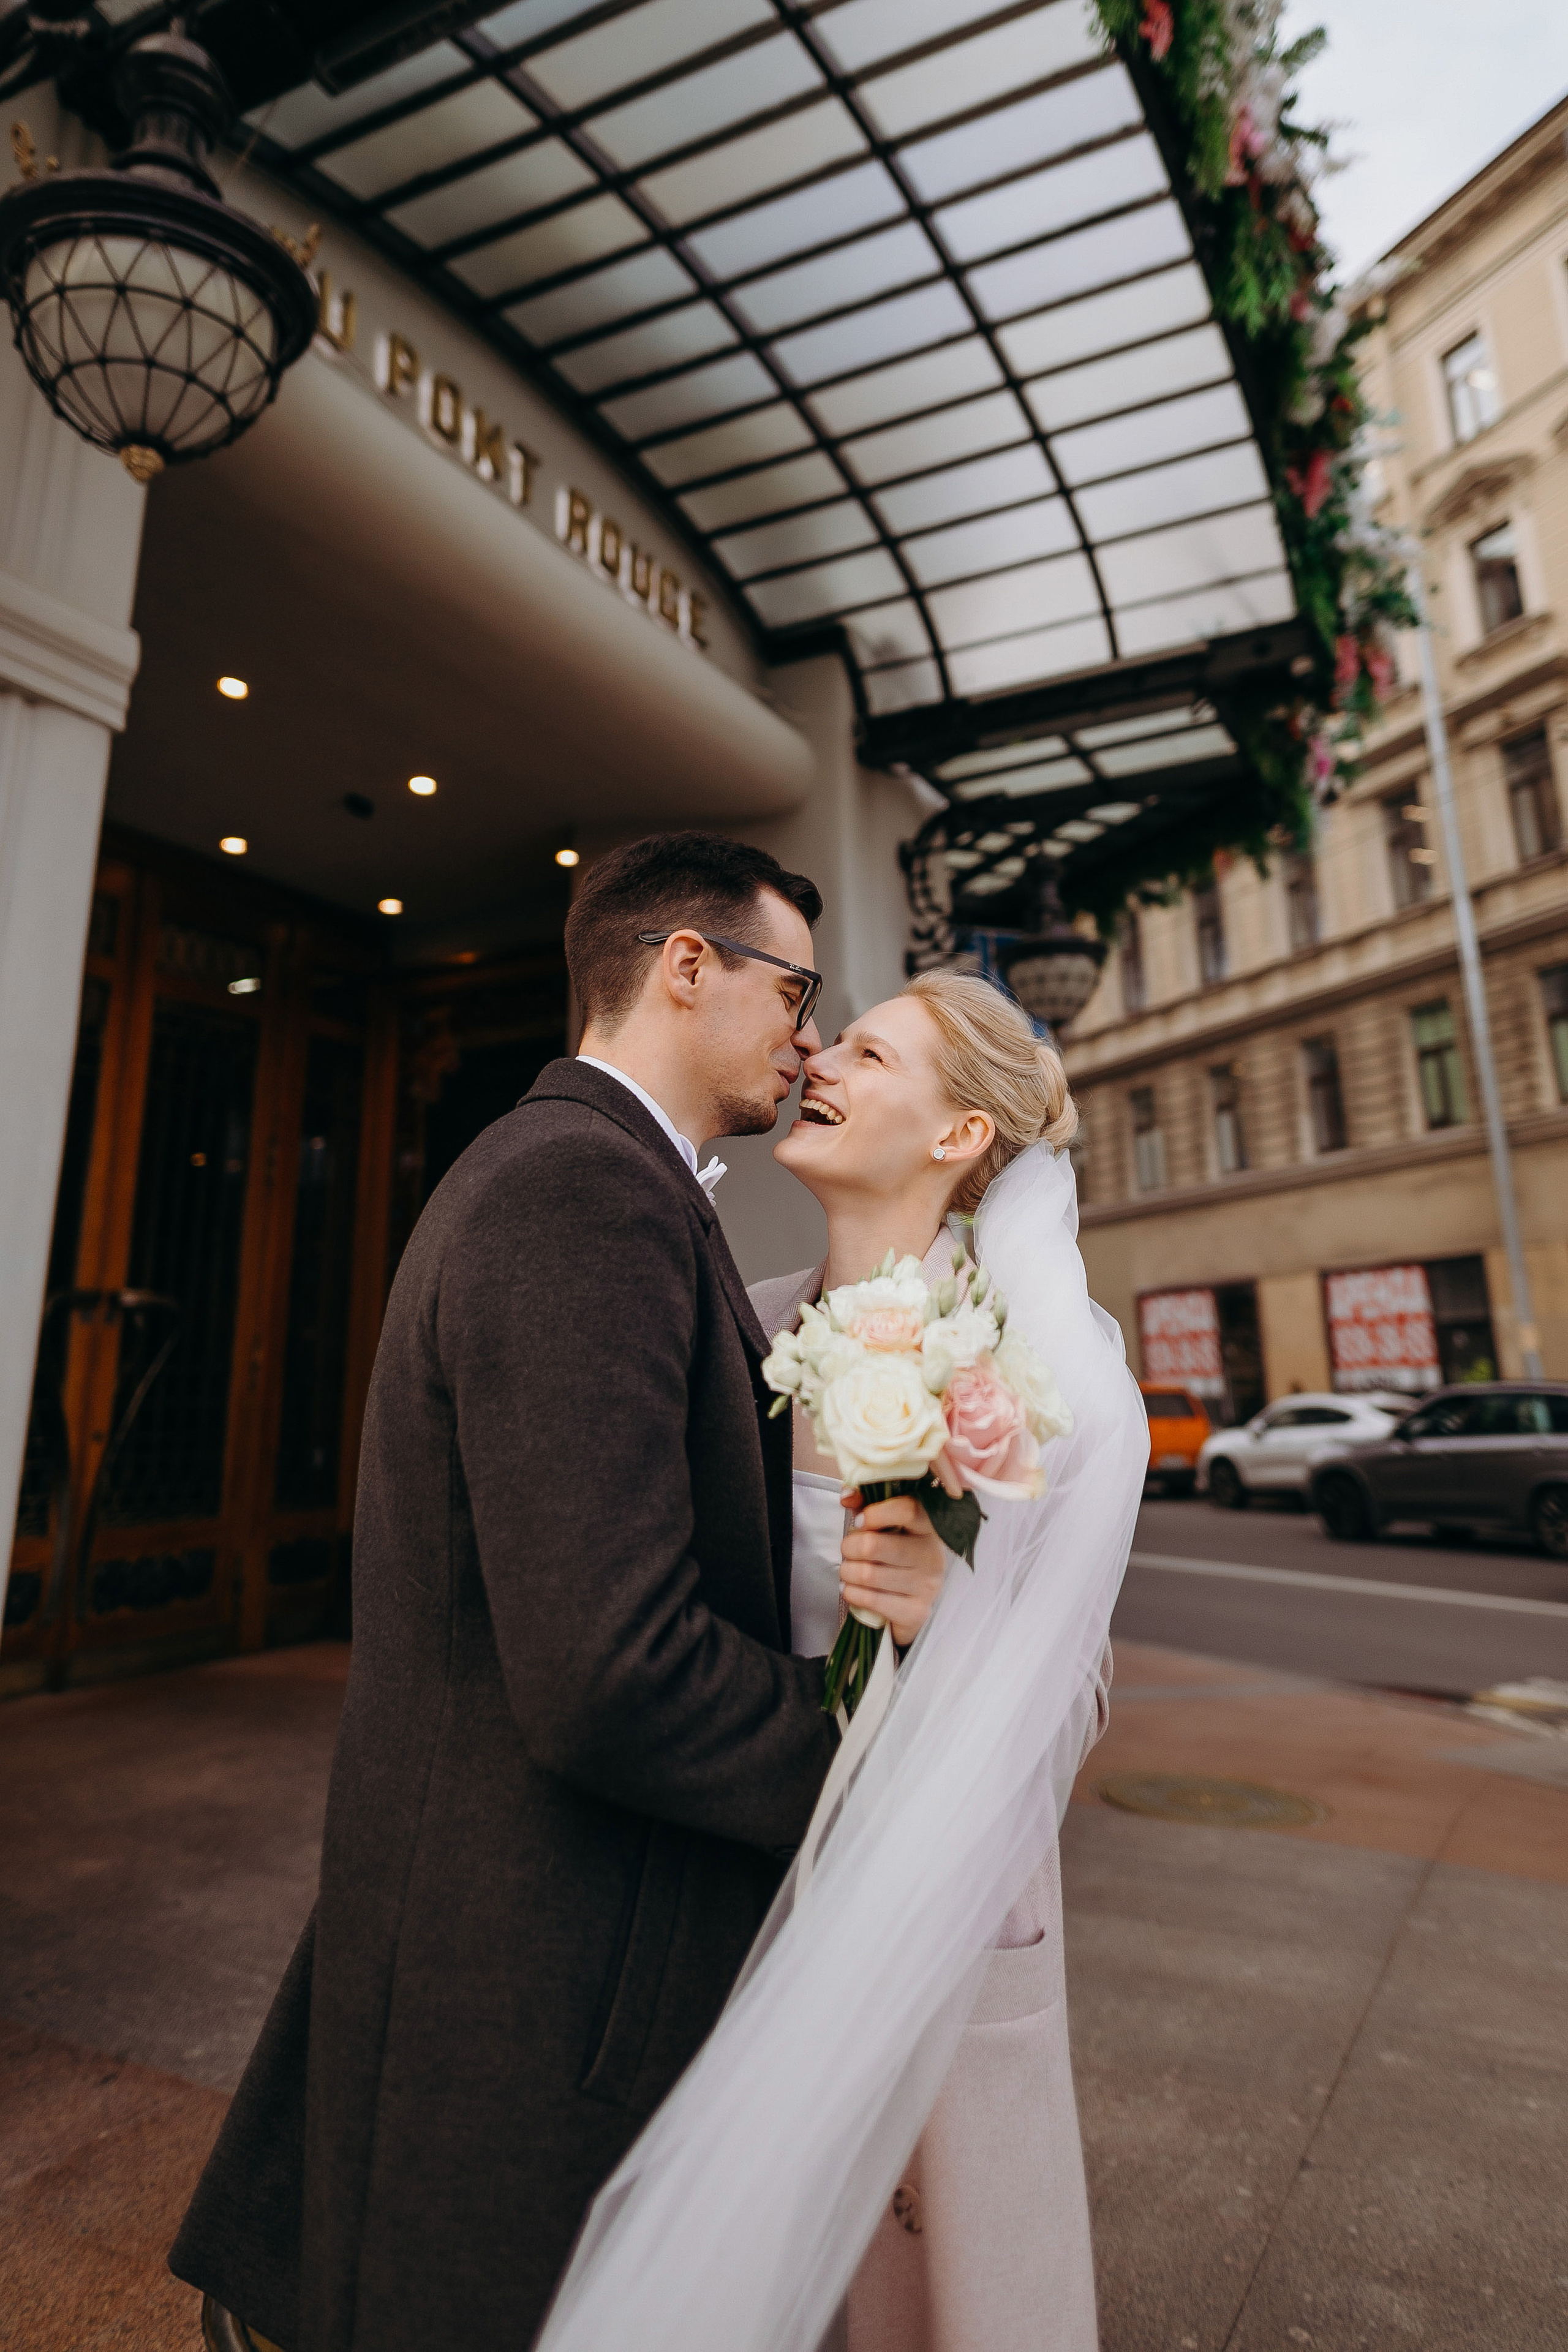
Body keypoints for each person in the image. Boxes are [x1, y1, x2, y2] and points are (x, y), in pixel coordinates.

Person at [169, 831, 948, 2352]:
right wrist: (864, 1761)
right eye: (795, 991)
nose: (806, 1037)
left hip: (515, 1941)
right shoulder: (580, 1196)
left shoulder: (604, 1183)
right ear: (683, 966)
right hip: (535, 1968)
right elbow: (611, 1667)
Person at [532, 970, 1147, 2352]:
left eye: (868, 1053)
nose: (821, 1058)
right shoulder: (734, 1323)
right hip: (728, 1887)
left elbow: (1081, 1685)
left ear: (955, 1139)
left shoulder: (1029, 1377)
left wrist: (959, 1618)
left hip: (929, 1914)